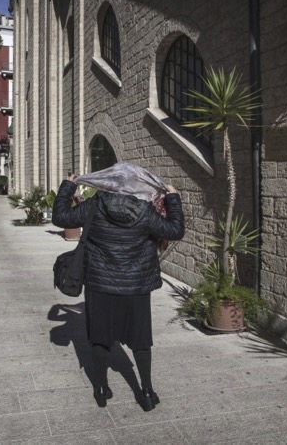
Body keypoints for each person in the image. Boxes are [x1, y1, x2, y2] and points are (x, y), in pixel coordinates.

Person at [52, 169, 184, 412]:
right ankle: (146, 391)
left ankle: (101, 389)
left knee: (100, 336)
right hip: (136, 286)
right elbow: (175, 230)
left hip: (99, 284)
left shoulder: (94, 205)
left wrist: (67, 186)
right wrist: (173, 198)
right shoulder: (145, 211)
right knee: (140, 339)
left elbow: (60, 217)